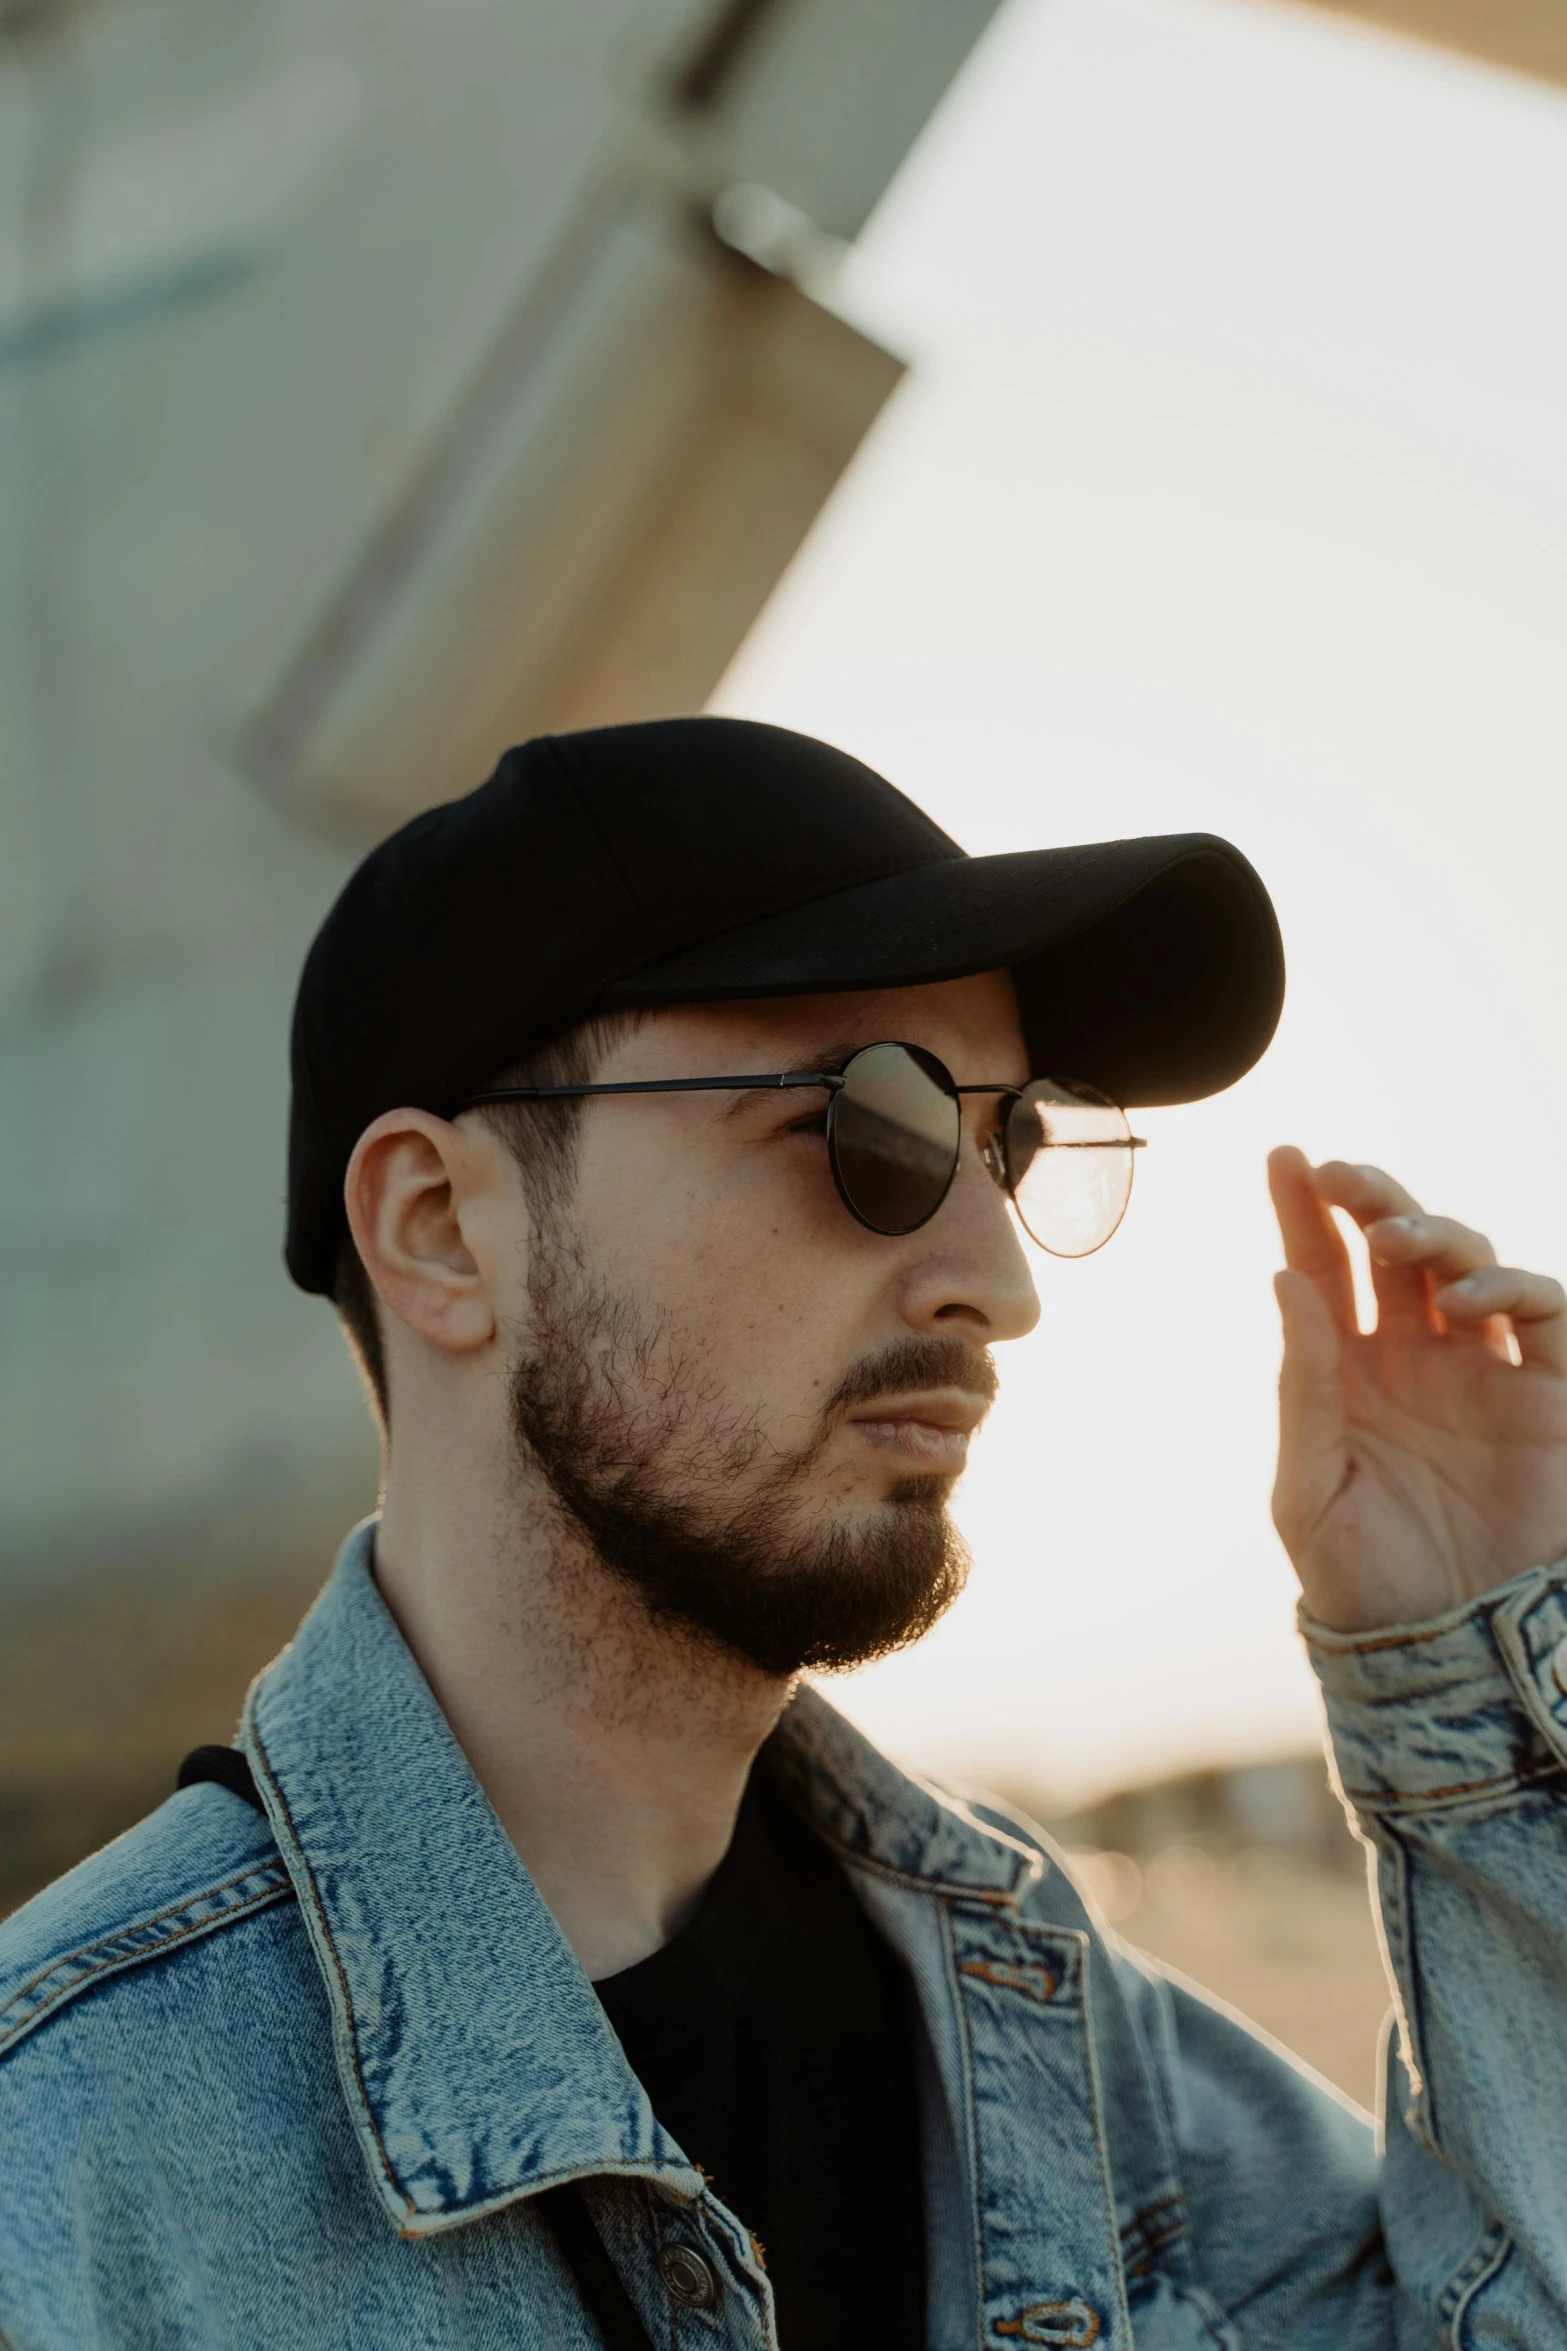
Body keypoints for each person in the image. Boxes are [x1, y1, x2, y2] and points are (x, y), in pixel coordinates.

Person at [2, 717, 1564, 2351]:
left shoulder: (1022, 2014)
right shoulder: (61, 2181)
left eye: (1007, 1140)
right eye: (868, 1125)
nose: (1003, 1285)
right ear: (441, 1227)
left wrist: (1452, 1666)